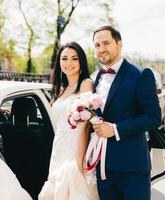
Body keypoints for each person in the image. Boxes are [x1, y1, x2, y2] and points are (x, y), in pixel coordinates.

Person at [91, 26, 161, 200]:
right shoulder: (94, 78)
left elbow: (153, 117)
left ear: (119, 44)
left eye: (106, 43)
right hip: (102, 169)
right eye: (97, 45)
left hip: (132, 168)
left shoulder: (140, 74)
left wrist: (115, 129)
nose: (101, 49)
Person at [38, 42, 99, 200]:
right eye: (64, 58)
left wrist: (79, 157)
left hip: (76, 147)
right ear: (59, 62)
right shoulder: (60, 88)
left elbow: (85, 127)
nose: (69, 63)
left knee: (75, 191)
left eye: (74, 58)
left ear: (81, 62)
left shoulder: (86, 84)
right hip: (59, 147)